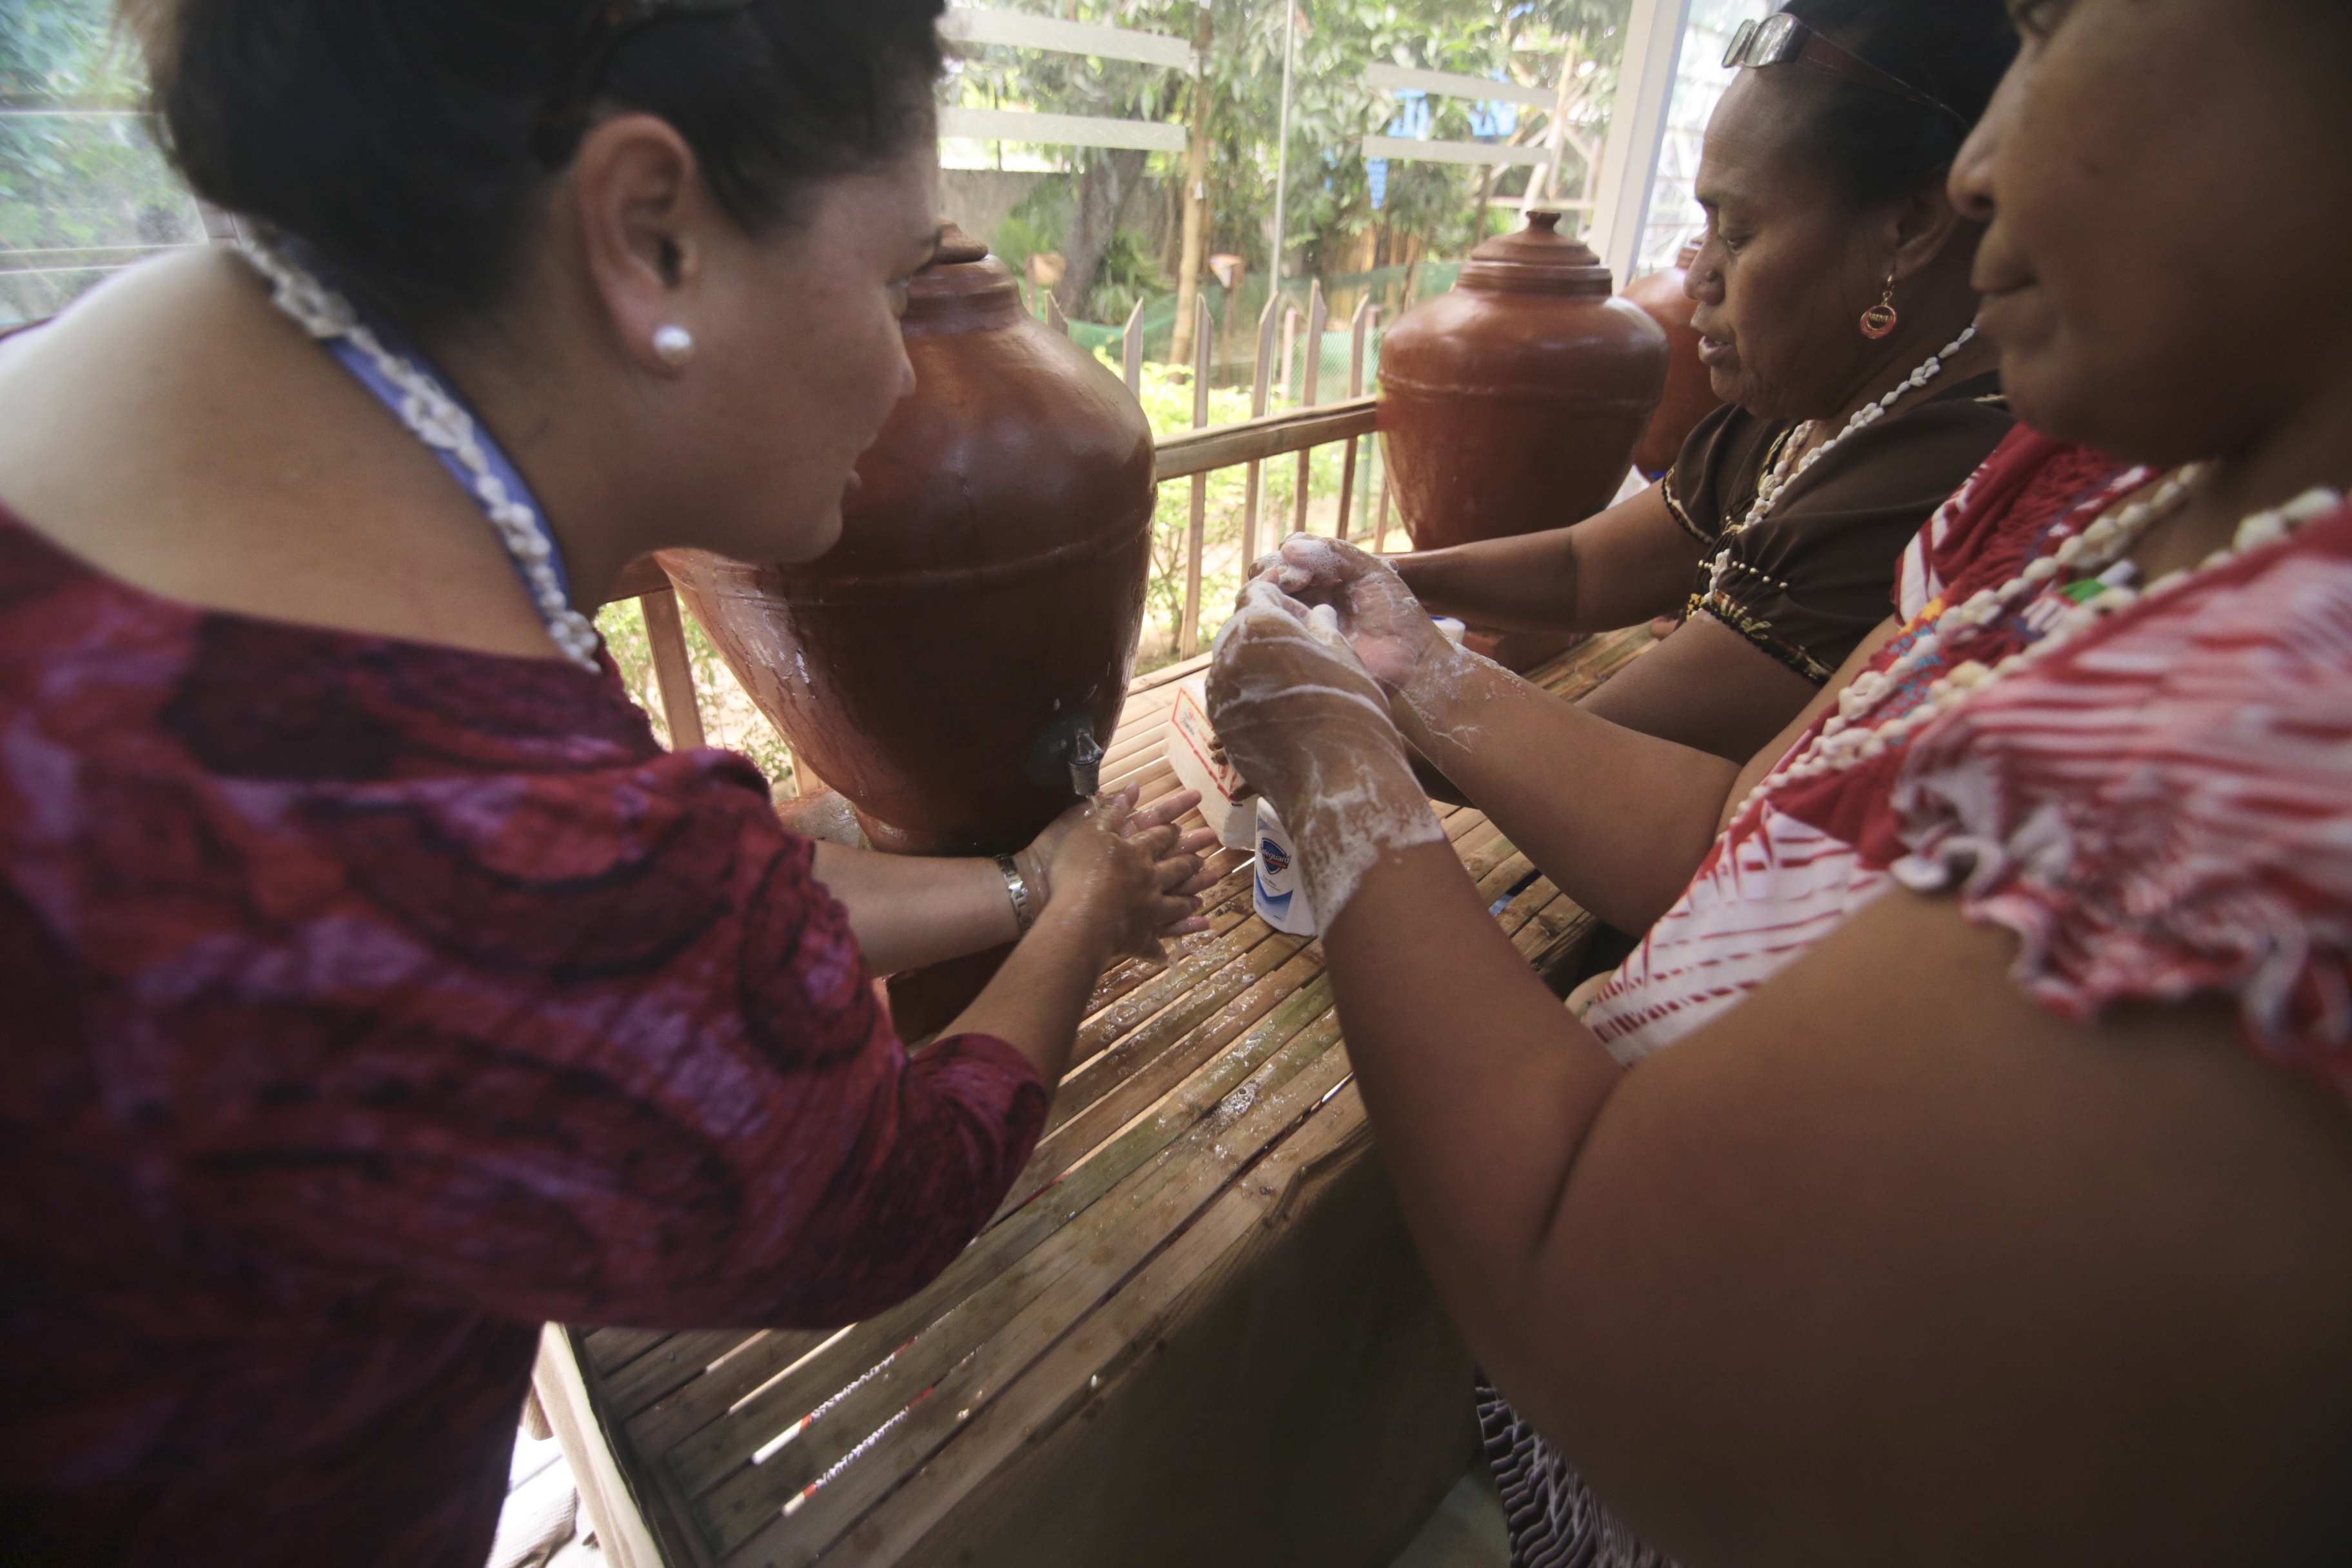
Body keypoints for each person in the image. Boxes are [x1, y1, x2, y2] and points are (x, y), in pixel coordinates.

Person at [0, 2, 1217, 1563]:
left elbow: (713, 917)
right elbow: (889, 1186)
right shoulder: (513, 842)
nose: (903, 372)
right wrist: (1084, 908)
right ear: (651, 234)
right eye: (899, 279)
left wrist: (1027, 880)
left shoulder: (160, 384)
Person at [1209, 0, 2352, 1563]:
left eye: (2058, 25)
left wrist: (1342, 764)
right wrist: (1422, 665)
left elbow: (1589, 1276)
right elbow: (1751, 829)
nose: (1983, 167)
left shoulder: (2269, 763)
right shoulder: (2098, 474)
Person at [1390, 0, 2017, 766]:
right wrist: (1382, 580)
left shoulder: (1939, 473)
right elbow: (1586, 570)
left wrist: (1346, 702)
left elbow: (1589, 757)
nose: (1696, 277)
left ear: (1911, 226)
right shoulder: (1803, 400)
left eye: (1739, 233)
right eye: (1704, 227)